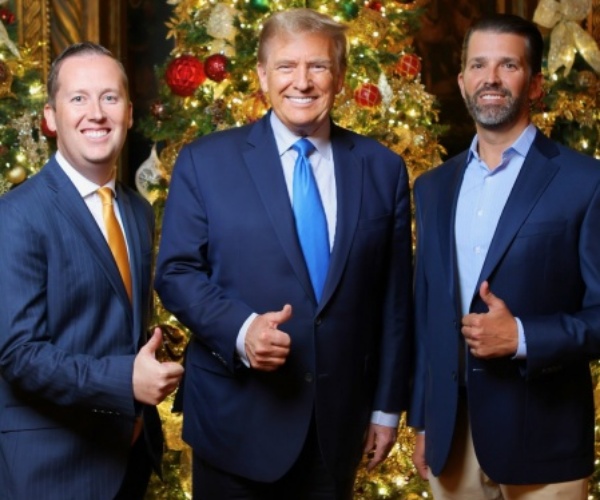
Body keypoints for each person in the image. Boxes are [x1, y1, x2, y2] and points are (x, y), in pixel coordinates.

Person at [155, 8, 413, 499]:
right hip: (236, 422)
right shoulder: (205, 161)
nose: (303, 82)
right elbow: (176, 272)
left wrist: (385, 408)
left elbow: (394, 301)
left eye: (317, 66)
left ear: (338, 77)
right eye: (286, 66)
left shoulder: (382, 169)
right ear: (261, 76)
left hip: (336, 427)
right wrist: (242, 329)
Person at [409, 13, 600, 500]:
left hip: (544, 438)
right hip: (451, 442)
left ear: (534, 84)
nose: (490, 78)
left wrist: (520, 337)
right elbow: (425, 312)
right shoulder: (432, 188)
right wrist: (424, 418)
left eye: (507, 65)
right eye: (478, 65)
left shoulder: (586, 182)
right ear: (462, 80)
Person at [0, 42, 184, 499]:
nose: (96, 113)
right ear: (50, 117)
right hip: (52, 468)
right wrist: (126, 381)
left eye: (110, 98)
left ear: (129, 113)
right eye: (78, 98)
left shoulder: (138, 212)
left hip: (129, 460)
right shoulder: (16, 216)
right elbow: (18, 354)